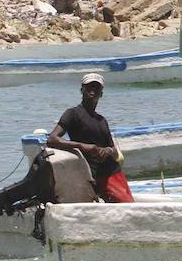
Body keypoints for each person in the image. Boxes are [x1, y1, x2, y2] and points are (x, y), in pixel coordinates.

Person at [47, 73, 134, 203]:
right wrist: (82, 146)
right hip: (89, 173)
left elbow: (114, 150)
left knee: (127, 204)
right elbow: (52, 139)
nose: (93, 90)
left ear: (101, 93)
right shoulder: (72, 114)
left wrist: (107, 151)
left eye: (97, 88)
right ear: (82, 90)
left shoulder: (102, 120)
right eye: (89, 87)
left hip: (111, 172)